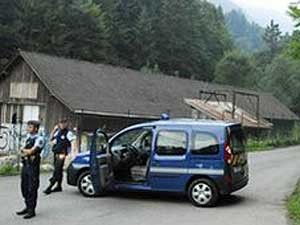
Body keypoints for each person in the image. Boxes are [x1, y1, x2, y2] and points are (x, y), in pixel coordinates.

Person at [16, 120, 44, 219]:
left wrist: (26, 152)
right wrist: (26, 152)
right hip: (26, 165)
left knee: (32, 188)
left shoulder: (39, 139)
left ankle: (31, 210)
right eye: (28, 127)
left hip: (33, 166)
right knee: (24, 187)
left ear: (36, 129)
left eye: (30, 127)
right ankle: (27, 206)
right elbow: (21, 151)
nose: (28, 128)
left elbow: (32, 151)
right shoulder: (28, 138)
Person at [44, 118, 75, 195]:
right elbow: (51, 138)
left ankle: (50, 186)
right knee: (58, 170)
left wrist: (72, 153)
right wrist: (54, 130)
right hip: (56, 153)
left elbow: (73, 142)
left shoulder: (68, 133)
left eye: (64, 123)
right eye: (61, 123)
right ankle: (59, 186)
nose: (62, 124)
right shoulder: (58, 132)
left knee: (57, 170)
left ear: (66, 124)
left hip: (62, 154)